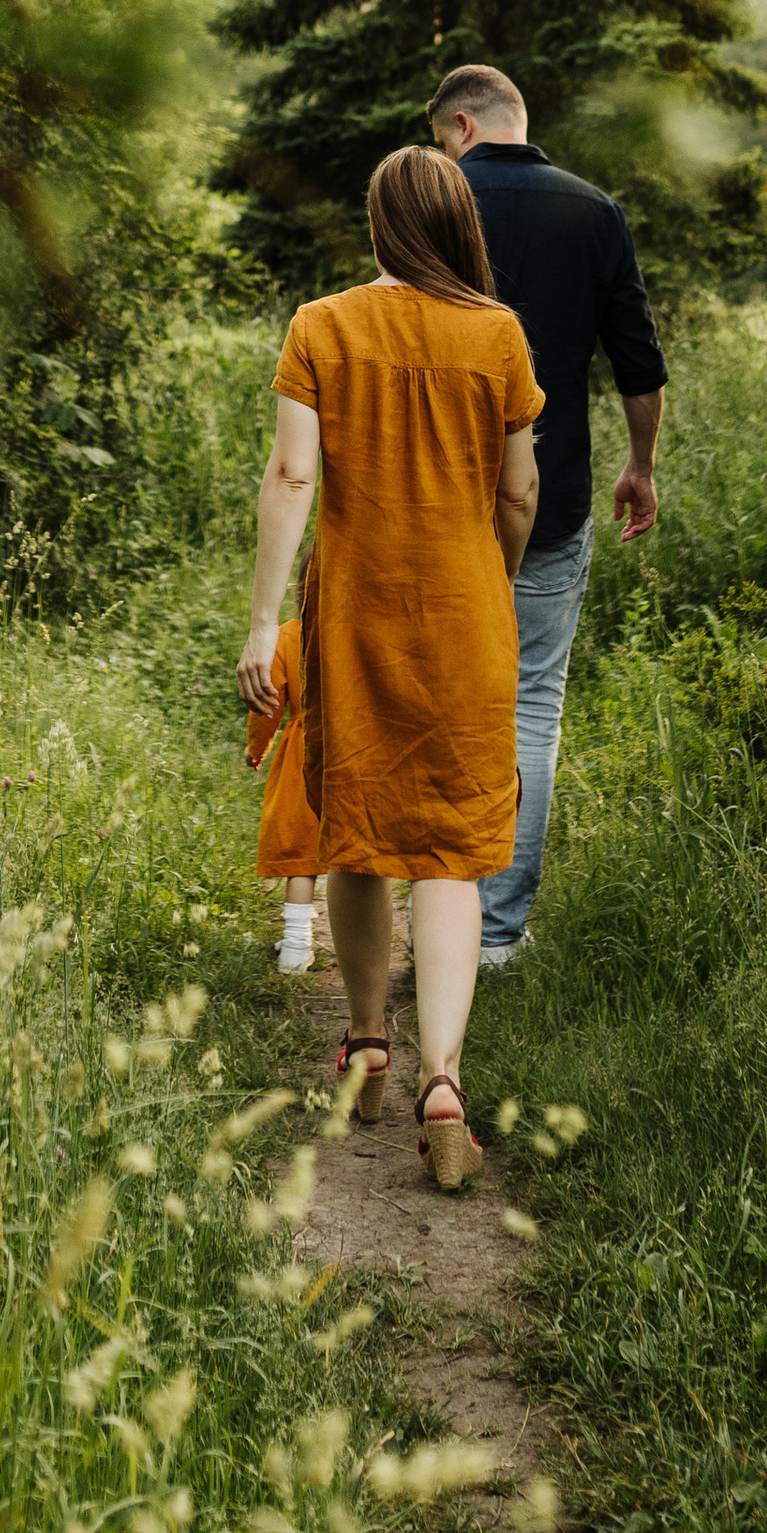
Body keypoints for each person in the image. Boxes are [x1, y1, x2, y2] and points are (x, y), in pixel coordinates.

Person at [237, 145, 543, 1191]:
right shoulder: (496, 333)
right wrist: (487, 580)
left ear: (376, 226)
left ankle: (366, 1042)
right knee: (453, 852)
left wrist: (260, 622)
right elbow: (518, 495)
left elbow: (290, 475)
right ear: (459, 223)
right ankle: (444, 1079)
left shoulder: (321, 327)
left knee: (353, 827)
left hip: (354, 615)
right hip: (465, 615)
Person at [428, 62, 665, 967]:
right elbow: (637, 363)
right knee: (530, 704)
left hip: (437, 499)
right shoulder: (592, 210)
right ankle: (494, 936)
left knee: (442, 701)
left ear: (460, 125)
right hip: (554, 497)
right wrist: (639, 465)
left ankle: (434, 906)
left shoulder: (434, 205)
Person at [243, 614, 322, 972]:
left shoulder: (288, 636)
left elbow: (267, 701)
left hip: (305, 755)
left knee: (302, 856)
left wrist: (256, 749)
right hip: (361, 744)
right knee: (364, 859)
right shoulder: (364, 624)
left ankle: (295, 946)